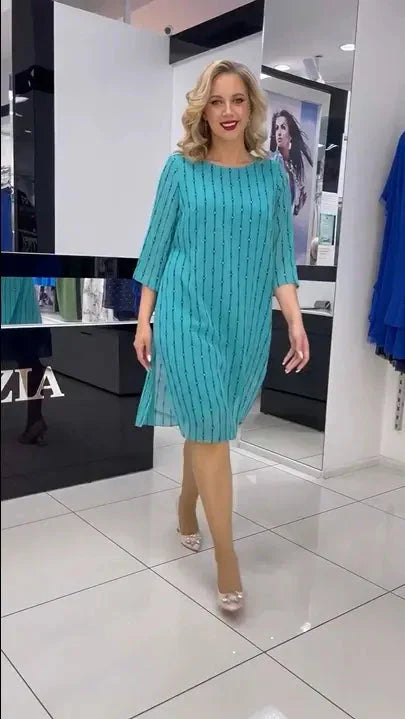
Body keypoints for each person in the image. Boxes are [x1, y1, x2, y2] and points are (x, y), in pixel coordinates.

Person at [133, 60, 309, 612]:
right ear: (202, 110)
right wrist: (144, 318)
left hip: (245, 323)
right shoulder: (180, 170)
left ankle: (187, 504)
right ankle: (227, 559)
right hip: (187, 314)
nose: (228, 111)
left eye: (237, 100)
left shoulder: (272, 176)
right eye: (216, 101)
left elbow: (280, 258)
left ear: (250, 106)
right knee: (211, 429)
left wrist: (295, 319)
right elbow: (157, 247)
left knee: (210, 426)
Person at [270, 110, 313, 216]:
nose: (279, 132)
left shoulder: (290, 165)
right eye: (276, 128)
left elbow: (284, 207)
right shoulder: (273, 164)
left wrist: (297, 208)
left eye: (283, 127)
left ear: (290, 135)